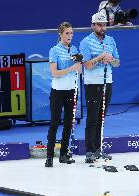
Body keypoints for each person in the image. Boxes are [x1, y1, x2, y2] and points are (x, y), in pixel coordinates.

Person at [79, 13, 120, 163]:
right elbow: (88, 65)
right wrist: (100, 57)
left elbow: (117, 63)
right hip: (93, 84)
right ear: (93, 25)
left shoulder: (111, 40)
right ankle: (89, 150)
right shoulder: (86, 42)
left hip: (107, 82)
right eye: (99, 25)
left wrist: (112, 60)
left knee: (102, 117)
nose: (102, 27)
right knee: (92, 118)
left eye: (104, 25)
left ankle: (98, 148)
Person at [45, 22, 82, 167]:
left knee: (68, 124)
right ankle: (49, 157)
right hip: (58, 91)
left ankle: (63, 155)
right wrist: (72, 67)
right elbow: (54, 73)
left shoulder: (75, 49)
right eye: (67, 33)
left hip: (72, 90)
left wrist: (79, 67)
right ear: (60, 34)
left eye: (71, 33)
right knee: (54, 123)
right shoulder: (54, 50)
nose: (70, 36)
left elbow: (78, 71)